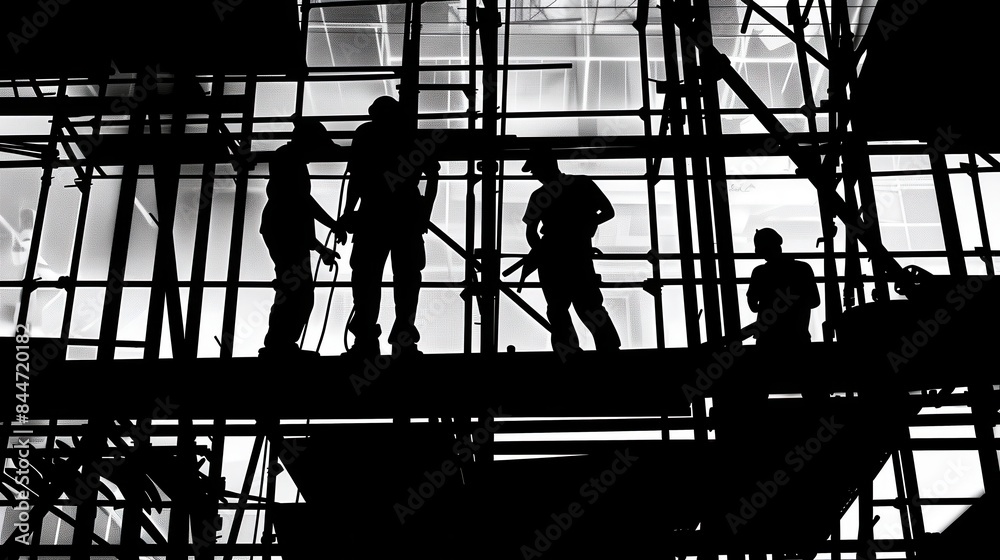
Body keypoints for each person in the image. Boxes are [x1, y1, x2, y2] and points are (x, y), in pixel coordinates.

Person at [340, 96, 439, 358]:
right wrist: (424, 214)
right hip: (403, 215)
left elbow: (357, 179)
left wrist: (349, 212)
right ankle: (401, 337)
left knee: (367, 279)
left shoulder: (366, 134)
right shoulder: (409, 136)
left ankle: (366, 338)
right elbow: (432, 176)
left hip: (374, 214)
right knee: (405, 279)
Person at [521, 147, 621, 359]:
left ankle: (569, 352)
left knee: (560, 309)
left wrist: (541, 250)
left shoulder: (541, 195)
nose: (535, 175)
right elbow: (608, 212)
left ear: (546, 166)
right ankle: (608, 349)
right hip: (575, 255)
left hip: (556, 259)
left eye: (535, 170)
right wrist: (584, 228)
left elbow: (531, 232)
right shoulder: (581, 184)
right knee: (587, 305)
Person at [258, 117, 344, 358]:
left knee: (296, 290)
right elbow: (302, 204)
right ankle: (279, 344)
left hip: (285, 232)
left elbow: (301, 208)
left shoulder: (288, 159)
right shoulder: (288, 160)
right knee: (297, 291)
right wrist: (331, 227)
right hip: (285, 233)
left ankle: (280, 343)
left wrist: (321, 246)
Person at [745, 227, 821, 347]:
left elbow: (753, 306)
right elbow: (815, 301)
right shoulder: (802, 269)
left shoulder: (759, 272)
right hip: (798, 337)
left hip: (768, 339)